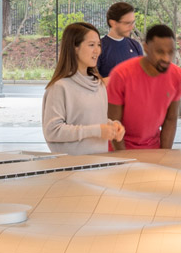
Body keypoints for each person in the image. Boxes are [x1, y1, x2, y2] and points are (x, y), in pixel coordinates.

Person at [42, 21, 126, 156]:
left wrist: (112, 126)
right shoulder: (59, 87)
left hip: (99, 164)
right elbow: (53, 131)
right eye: (91, 45)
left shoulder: (99, 85)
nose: (97, 50)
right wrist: (97, 131)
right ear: (74, 48)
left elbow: (94, 120)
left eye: (99, 45)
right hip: (72, 167)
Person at [107, 23, 181, 150]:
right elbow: (114, 124)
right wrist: (125, 160)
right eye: (160, 52)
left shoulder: (176, 75)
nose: (166, 58)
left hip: (153, 148)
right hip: (120, 148)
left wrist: (164, 154)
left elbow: (170, 120)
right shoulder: (121, 75)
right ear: (146, 48)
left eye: (170, 52)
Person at [97, 2, 143, 78]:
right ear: (113, 23)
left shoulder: (135, 45)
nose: (132, 27)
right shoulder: (99, 48)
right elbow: (94, 83)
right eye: (127, 23)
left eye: (133, 22)